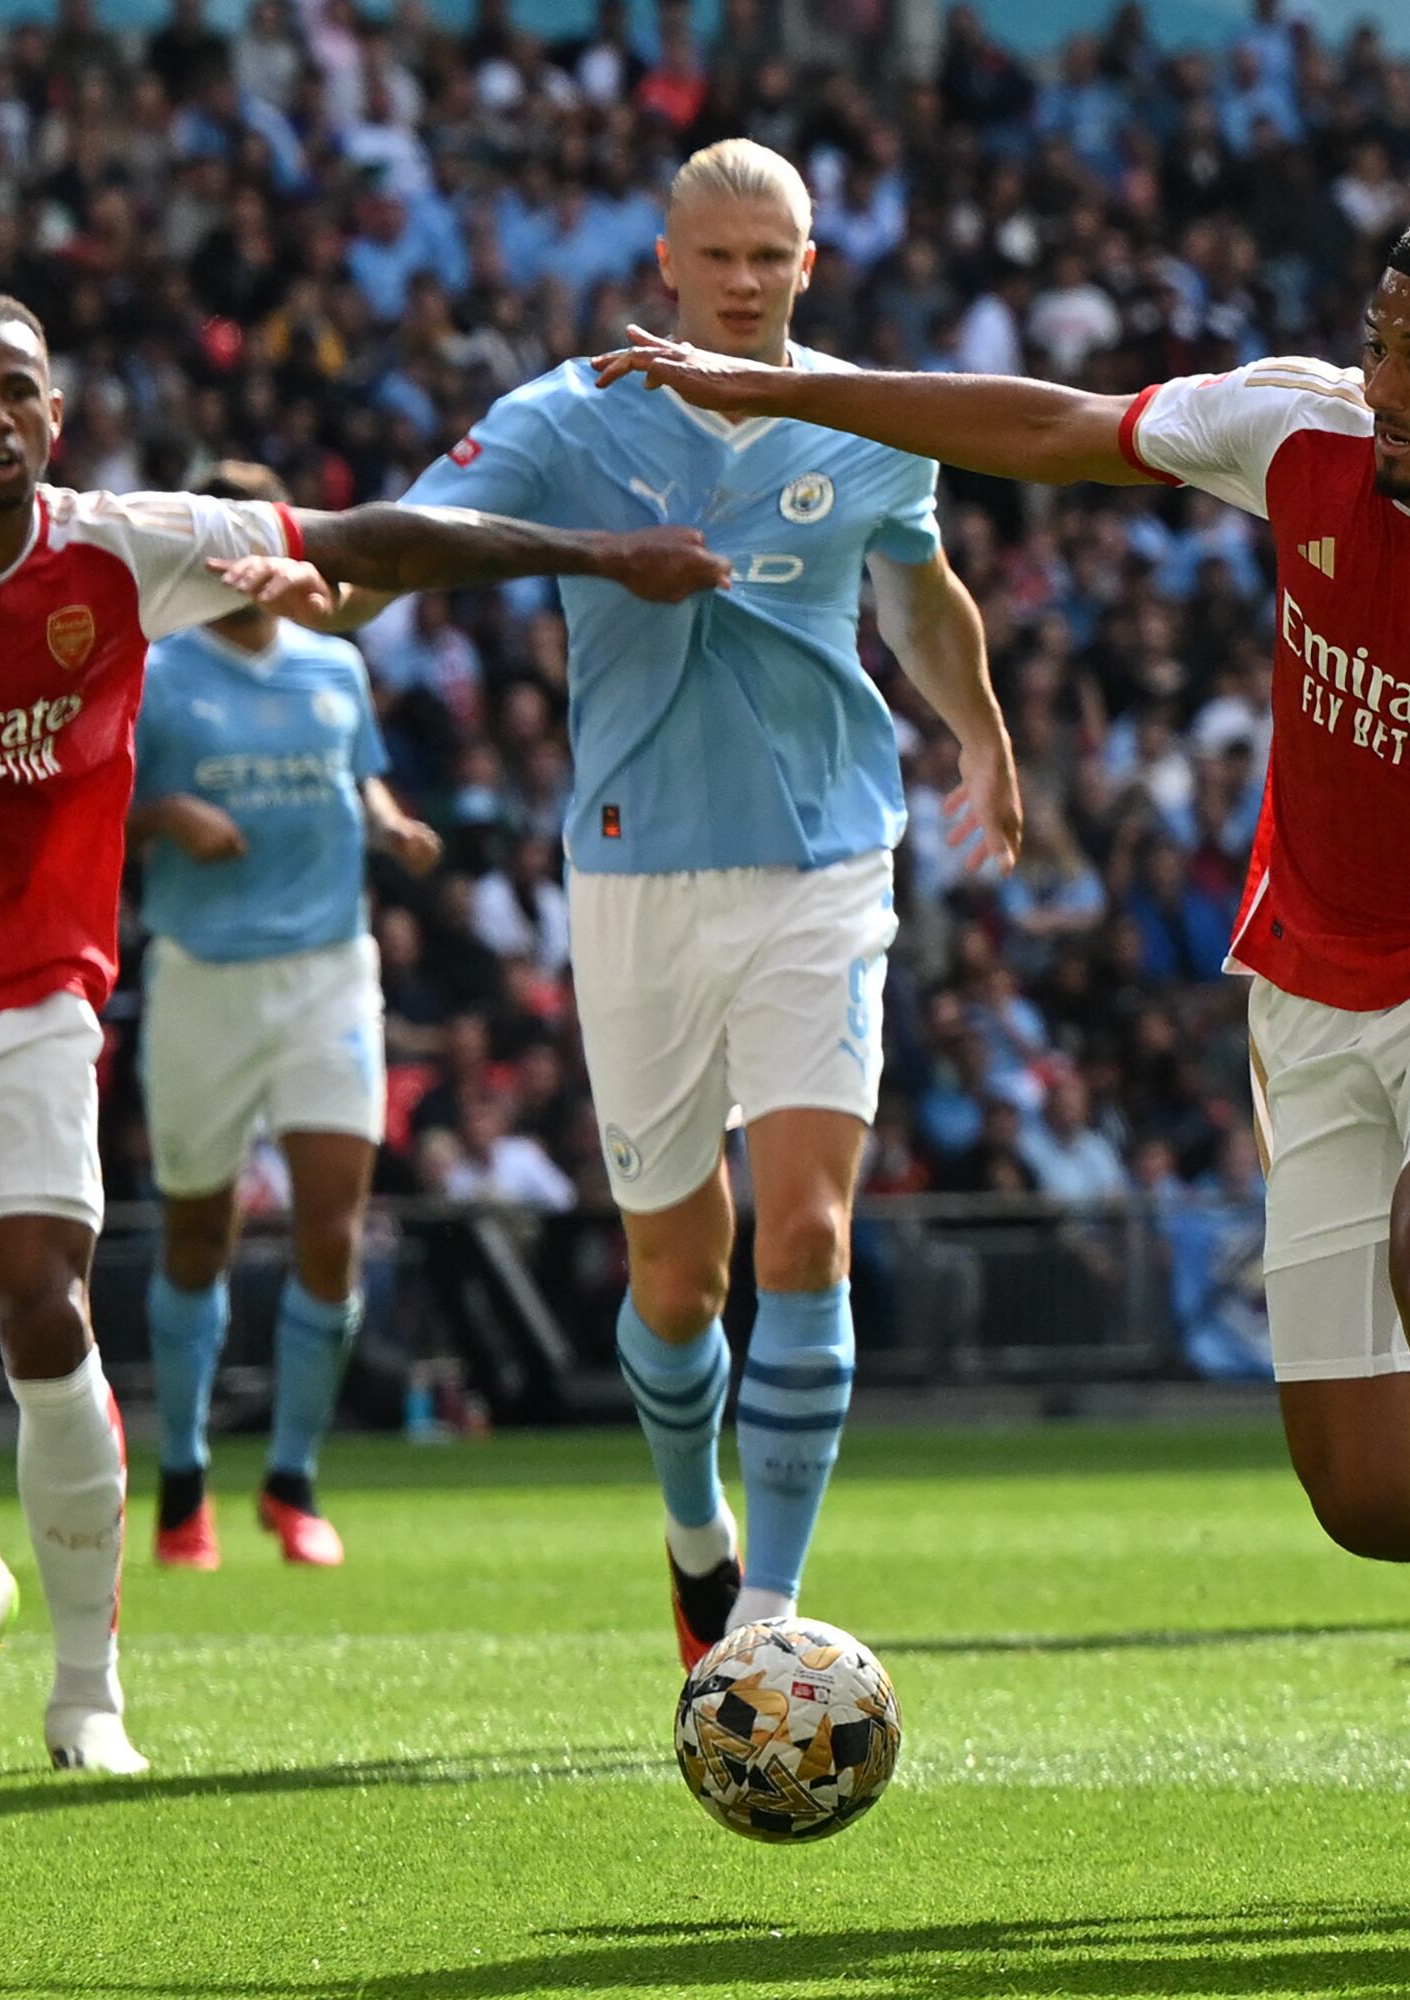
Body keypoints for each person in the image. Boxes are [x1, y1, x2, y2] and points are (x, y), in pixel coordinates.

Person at [599, 205, 1410, 1909]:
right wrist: (786, 391)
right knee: (1374, 1497)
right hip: (1310, 985)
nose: (1384, 383)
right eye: (1379, 341)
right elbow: (1055, 431)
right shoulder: (1301, 431)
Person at [0, 289, 723, 1773]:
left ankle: (85, 1691)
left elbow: (376, 539)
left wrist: (593, 556)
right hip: (192, 966)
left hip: (32, 997)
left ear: (54, 416)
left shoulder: (117, 551)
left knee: (39, 1301)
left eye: (18, 390)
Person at [336, 140, 1024, 1670]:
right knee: (675, 1273)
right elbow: (409, 539)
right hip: (636, 872)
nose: (738, 282)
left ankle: (767, 1622)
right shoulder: (567, 415)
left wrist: (979, 729)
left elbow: (915, 584)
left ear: (808, 263)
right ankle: (694, 1533)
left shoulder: (867, 420)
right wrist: (330, 588)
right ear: (665, 263)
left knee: (810, 1236)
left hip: (827, 860)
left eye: (766, 257)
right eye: (712, 256)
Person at [129, 460, 444, 1573]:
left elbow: (355, 778)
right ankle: (181, 1480)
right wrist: (166, 813)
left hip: (326, 971)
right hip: (205, 974)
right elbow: (96, 811)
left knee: (331, 1227)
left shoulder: (335, 665)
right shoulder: (158, 674)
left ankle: (296, 1478)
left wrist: (393, 823)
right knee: (198, 1235)